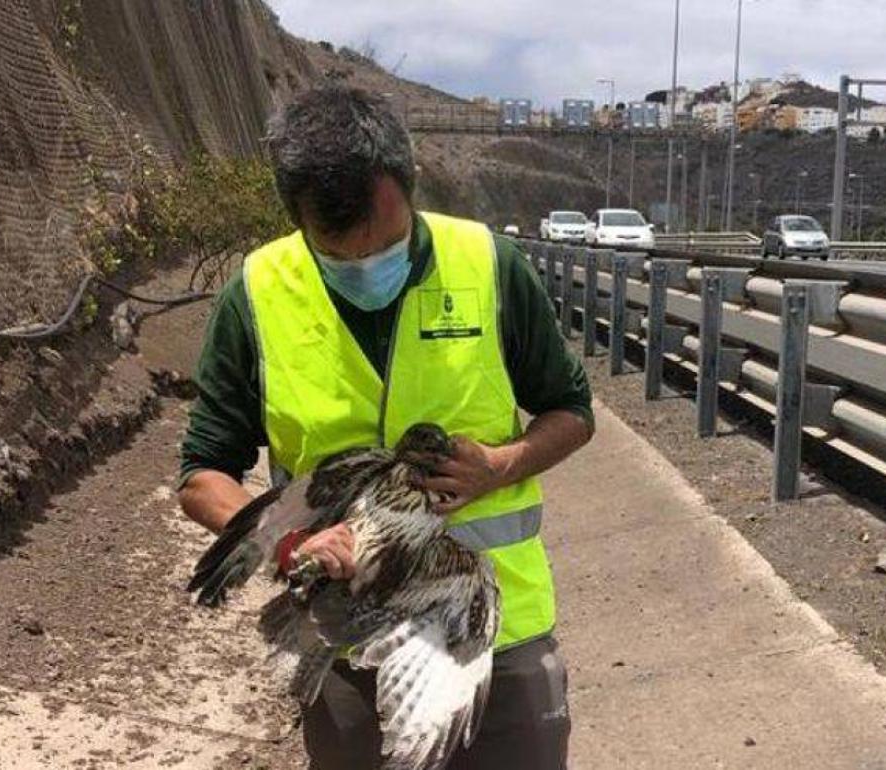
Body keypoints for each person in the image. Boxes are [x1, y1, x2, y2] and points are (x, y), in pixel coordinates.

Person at [178, 85, 593, 769]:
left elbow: (572, 413)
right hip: (349, 645)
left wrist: (502, 465)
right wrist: (296, 544)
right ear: (296, 219)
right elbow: (202, 476)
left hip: (498, 635)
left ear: (411, 184)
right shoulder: (255, 294)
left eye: (389, 243)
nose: (369, 268)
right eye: (340, 256)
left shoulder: (490, 266)